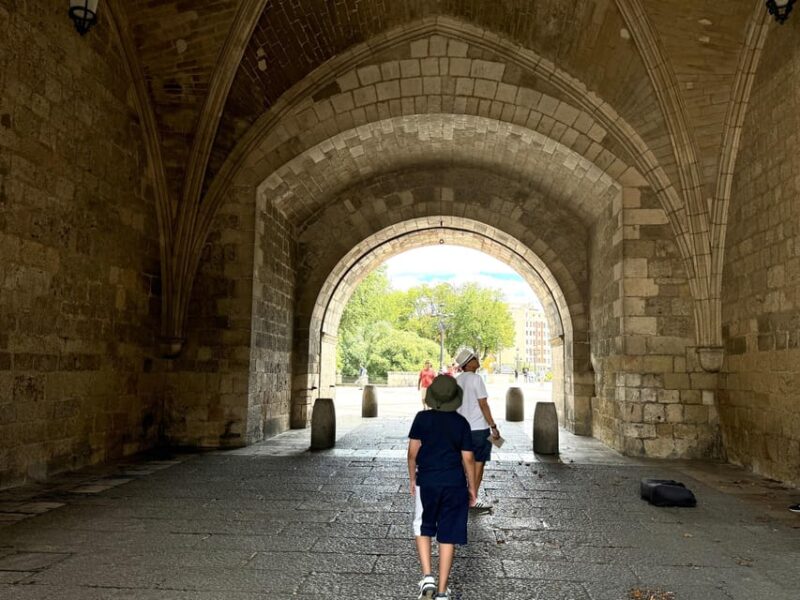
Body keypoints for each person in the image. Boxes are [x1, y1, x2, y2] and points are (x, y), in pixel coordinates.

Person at [408, 375, 477, 600]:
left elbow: (412, 453)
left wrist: (412, 479)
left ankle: (427, 576)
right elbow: (468, 458)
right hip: (454, 483)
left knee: (422, 525)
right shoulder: (461, 423)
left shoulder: (421, 418)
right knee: (448, 535)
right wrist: (472, 487)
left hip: (427, 480)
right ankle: (441, 591)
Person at [454, 348, 500, 510]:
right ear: (469, 364)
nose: (477, 359)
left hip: (460, 428)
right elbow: (483, 404)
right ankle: (472, 498)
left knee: (462, 463)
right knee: (478, 463)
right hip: (479, 429)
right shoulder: (476, 379)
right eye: (474, 357)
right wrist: (493, 426)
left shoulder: (457, 380)